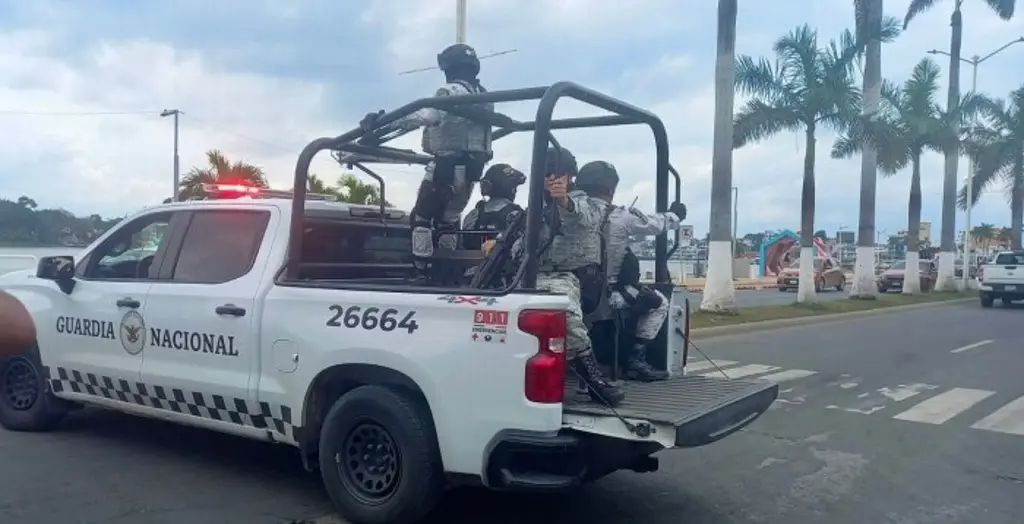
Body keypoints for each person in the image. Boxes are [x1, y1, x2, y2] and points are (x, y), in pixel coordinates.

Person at [360, 43, 493, 278]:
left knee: (422, 218)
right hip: (472, 170)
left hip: (445, 167)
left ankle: (421, 271)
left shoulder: (449, 92)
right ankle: (446, 271)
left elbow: (425, 115)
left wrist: (382, 123)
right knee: (449, 220)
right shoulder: (485, 96)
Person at [575, 161, 687, 382]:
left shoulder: (569, 213)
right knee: (659, 303)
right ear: (610, 189)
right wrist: (674, 216)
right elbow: (655, 225)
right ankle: (635, 359)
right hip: (608, 296)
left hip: (571, 293)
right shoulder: (620, 216)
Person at [534, 148, 625, 406]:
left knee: (563, 309)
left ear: (570, 176)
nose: (551, 178)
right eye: (546, 173)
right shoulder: (536, 204)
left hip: (570, 277)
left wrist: (563, 200)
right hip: (532, 274)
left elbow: (584, 216)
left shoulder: (586, 202)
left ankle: (593, 379)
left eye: (558, 174)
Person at [461, 163, 525, 250]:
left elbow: (463, 246)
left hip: (468, 263)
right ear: (512, 189)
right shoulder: (516, 215)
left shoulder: (473, 215)